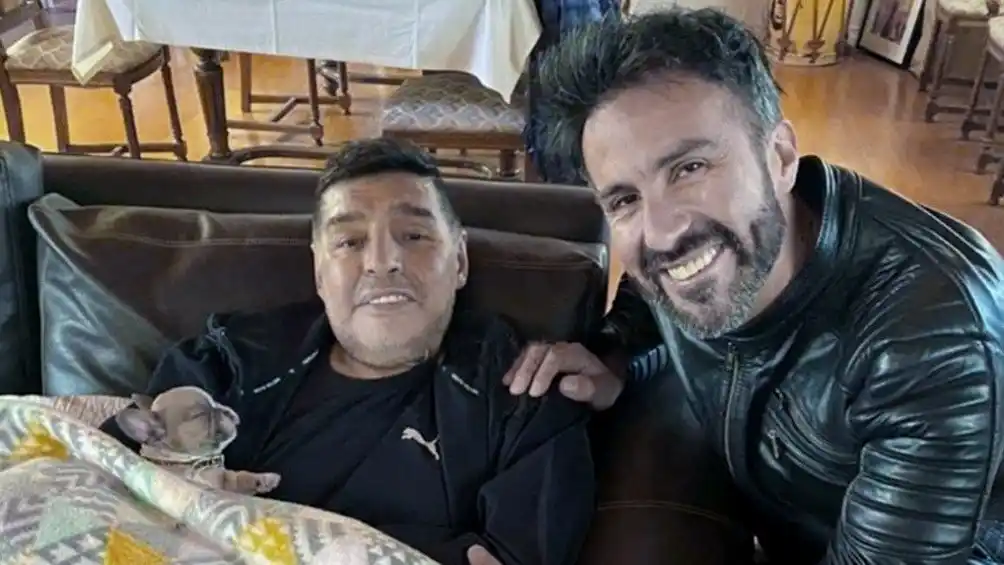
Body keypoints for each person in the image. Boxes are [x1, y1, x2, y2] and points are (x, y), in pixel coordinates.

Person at [504, 7, 1004, 564]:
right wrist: (614, 355)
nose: (662, 231)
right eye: (625, 199)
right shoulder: (716, 248)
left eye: (690, 168)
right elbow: (647, 295)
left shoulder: (932, 340)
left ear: (781, 157)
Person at [99, 138, 595, 565]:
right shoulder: (228, 361)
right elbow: (116, 480)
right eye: (350, 241)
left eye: (414, 236)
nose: (382, 261)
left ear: (460, 260)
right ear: (320, 271)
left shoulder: (521, 396)